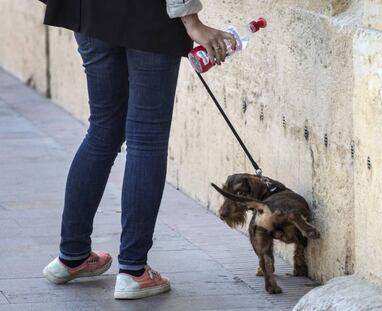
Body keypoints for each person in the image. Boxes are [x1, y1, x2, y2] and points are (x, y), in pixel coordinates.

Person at [40, 0, 236, 300]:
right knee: (146, 138)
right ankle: (133, 271)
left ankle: (72, 256)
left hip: (89, 11)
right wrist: (191, 21)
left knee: (102, 130)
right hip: (149, 15)